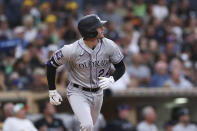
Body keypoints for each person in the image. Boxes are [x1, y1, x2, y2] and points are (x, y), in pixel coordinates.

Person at [46, 14, 125, 131]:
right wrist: (52, 90)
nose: (103, 28)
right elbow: (51, 65)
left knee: (90, 127)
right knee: (87, 125)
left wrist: (112, 79)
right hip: (78, 91)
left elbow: (121, 67)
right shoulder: (71, 49)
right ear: (91, 32)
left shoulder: (109, 45)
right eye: (99, 27)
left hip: (98, 93)